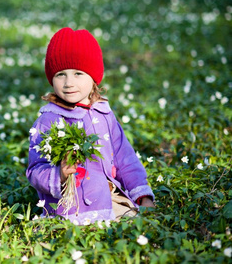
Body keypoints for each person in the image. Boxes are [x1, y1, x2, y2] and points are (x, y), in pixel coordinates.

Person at [27, 27, 155, 225]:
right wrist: (59, 174)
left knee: (141, 229)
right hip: (70, 209)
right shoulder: (48, 120)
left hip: (109, 200)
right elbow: (36, 169)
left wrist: (142, 195)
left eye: (78, 73)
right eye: (61, 74)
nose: (69, 82)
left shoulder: (104, 114)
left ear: (93, 76)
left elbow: (125, 158)